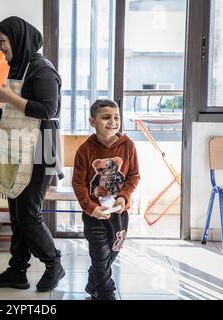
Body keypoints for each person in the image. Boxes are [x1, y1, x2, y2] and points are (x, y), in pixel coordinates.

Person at [0, 16, 65, 292]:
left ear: (18, 40)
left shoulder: (42, 70)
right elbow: (17, 110)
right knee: (17, 214)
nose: (1, 47)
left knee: (28, 214)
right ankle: (17, 271)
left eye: (3, 41)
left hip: (40, 149)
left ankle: (54, 264)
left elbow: (48, 110)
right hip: (18, 147)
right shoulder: (18, 67)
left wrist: (9, 99)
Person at [72, 99, 140, 300]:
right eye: (106, 117)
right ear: (92, 121)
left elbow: (134, 176)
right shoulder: (85, 150)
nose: (113, 121)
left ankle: (94, 281)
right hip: (94, 214)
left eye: (116, 117)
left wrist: (124, 197)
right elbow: (78, 183)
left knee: (112, 252)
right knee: (100, 256)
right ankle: (106, 292)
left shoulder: (128, 146)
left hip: (119, 213)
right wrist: (90, 207)